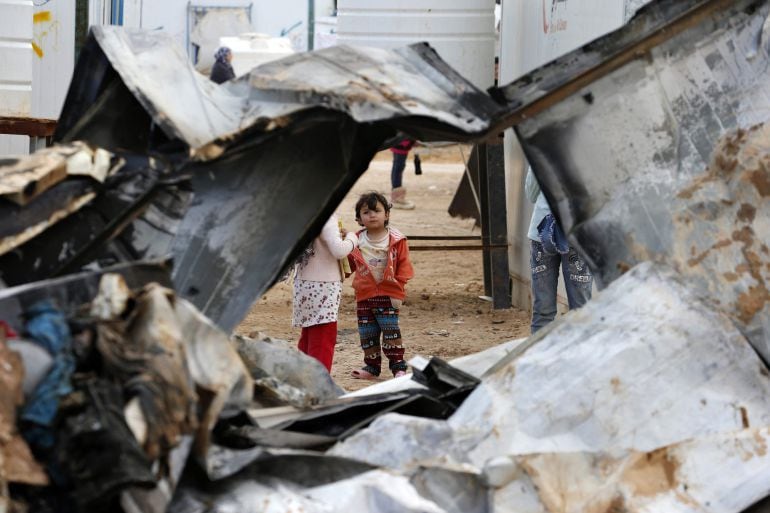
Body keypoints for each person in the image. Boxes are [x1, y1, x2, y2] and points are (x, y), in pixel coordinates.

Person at [348, 191, 414, 379]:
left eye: (376, 210)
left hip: (388, 294)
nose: (372, 215)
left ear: (387, 214)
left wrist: (398, 291)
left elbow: (404, 266)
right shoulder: (356, 239)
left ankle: (398, 367)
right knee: (367, 334)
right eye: (366, 212)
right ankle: (371, 368)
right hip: (364, 294)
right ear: (359, 218)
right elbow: (349, 264)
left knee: (391, 333)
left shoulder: (397, 239)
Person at [526, 167, 593, 333]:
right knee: (581, 308)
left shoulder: (539, 143)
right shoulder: (594, 148)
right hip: (579, 231)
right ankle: (580, 357)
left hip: (543, 232)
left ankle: (540, 356)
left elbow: (531, 194)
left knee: (543, 310)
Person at [292, 213, 358, 371]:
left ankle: (303, 379)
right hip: (324, 285)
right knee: (322, 339)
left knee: (308, 335)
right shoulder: (327, 217)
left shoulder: (303, 215)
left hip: (303, 283)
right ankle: (318, 384)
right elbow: (339, 251)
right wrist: (352, 238)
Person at [389, 137, 417, 209]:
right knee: (398, 167)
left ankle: (397, 197)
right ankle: (397, 198)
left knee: (398, 166)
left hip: (401, 143)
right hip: (401, 143)